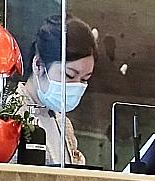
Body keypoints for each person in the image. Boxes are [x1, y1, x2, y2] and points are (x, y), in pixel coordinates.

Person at [18, 14, 97, 167]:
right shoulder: (9, 117)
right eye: (69, 75)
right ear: (38, 65)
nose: (76, 85)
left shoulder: (64, 124)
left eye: (84, 79)